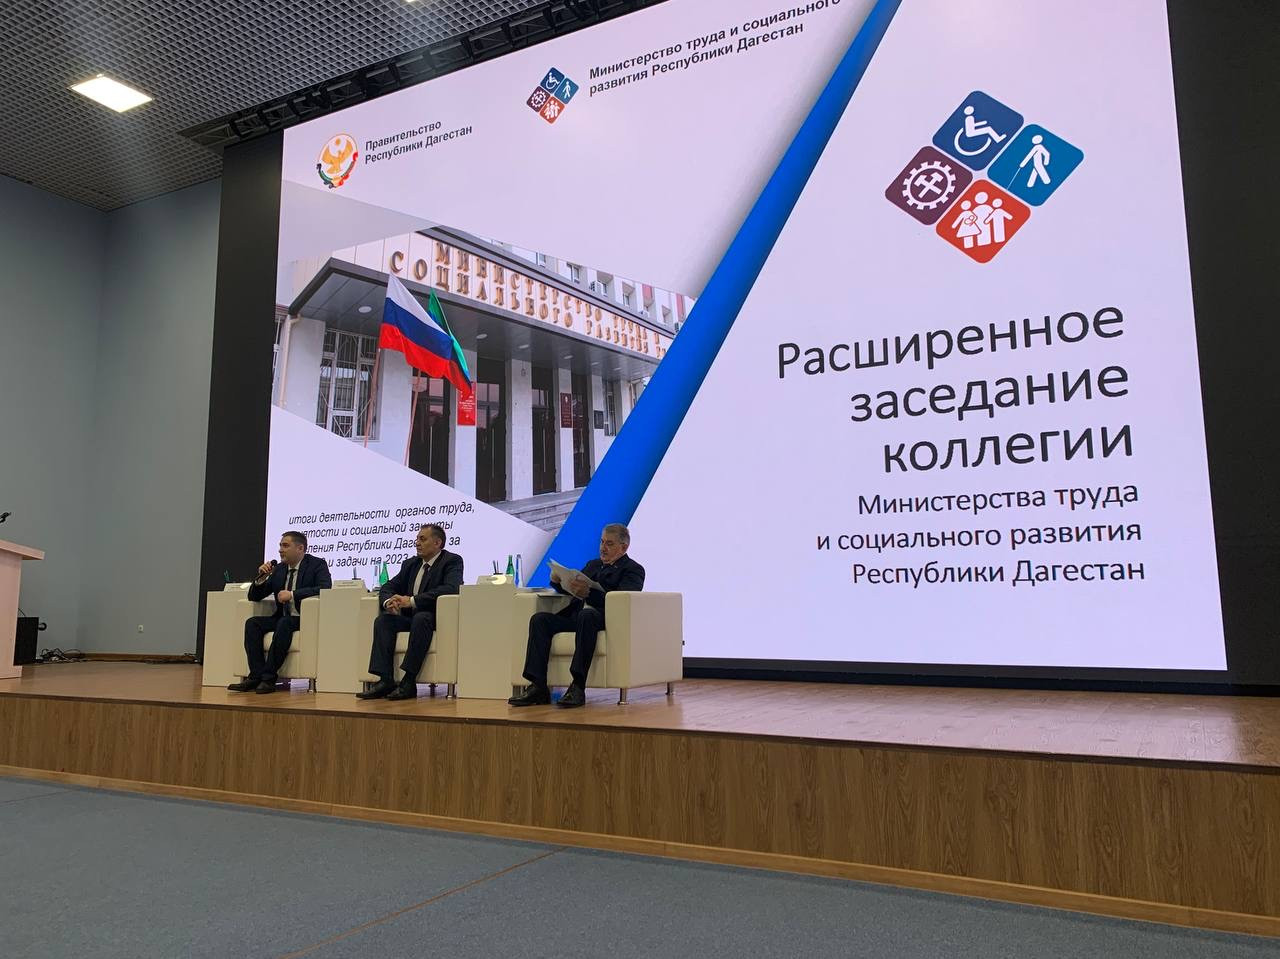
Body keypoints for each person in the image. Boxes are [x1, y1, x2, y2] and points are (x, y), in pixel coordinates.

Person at [509, 523, 645, 709]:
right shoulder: (593, 564)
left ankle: (578, 686)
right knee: (540, 620)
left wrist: (589, 593)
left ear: (624, 547)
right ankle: (538, 686)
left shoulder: (633, 569)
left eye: (609, 544)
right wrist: (558, 582)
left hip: (602, 619)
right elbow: (572, 589)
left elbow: (621, 600)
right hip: (576, 615)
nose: (603, 548)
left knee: (587, 615)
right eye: (602, 542)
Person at [357, 524, 463, 701]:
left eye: (423, 539)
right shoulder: (411, 564)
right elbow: (388, 586)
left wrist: (412, 601)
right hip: (409, 618)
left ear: (437, 543)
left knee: (421, 618)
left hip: (434, 617)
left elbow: (451, 588)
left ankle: (408, 680)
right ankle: (385, 679)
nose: (417, 543)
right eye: (417, 539)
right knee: (383, 621)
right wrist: (388, 601)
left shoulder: (451, 561)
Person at [229, 531, 332, 694]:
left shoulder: (317, 565)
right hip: (282, 617)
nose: (280, 550)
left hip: (304, 618)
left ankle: (269, 678)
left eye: (285, 546)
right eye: (280, 545)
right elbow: (254, 597)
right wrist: (261, 578)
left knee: (285, 622)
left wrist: (293, 594)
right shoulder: (279, 569)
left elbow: (325, 588)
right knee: (253, 623)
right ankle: (256, 676)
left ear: (300, 548)